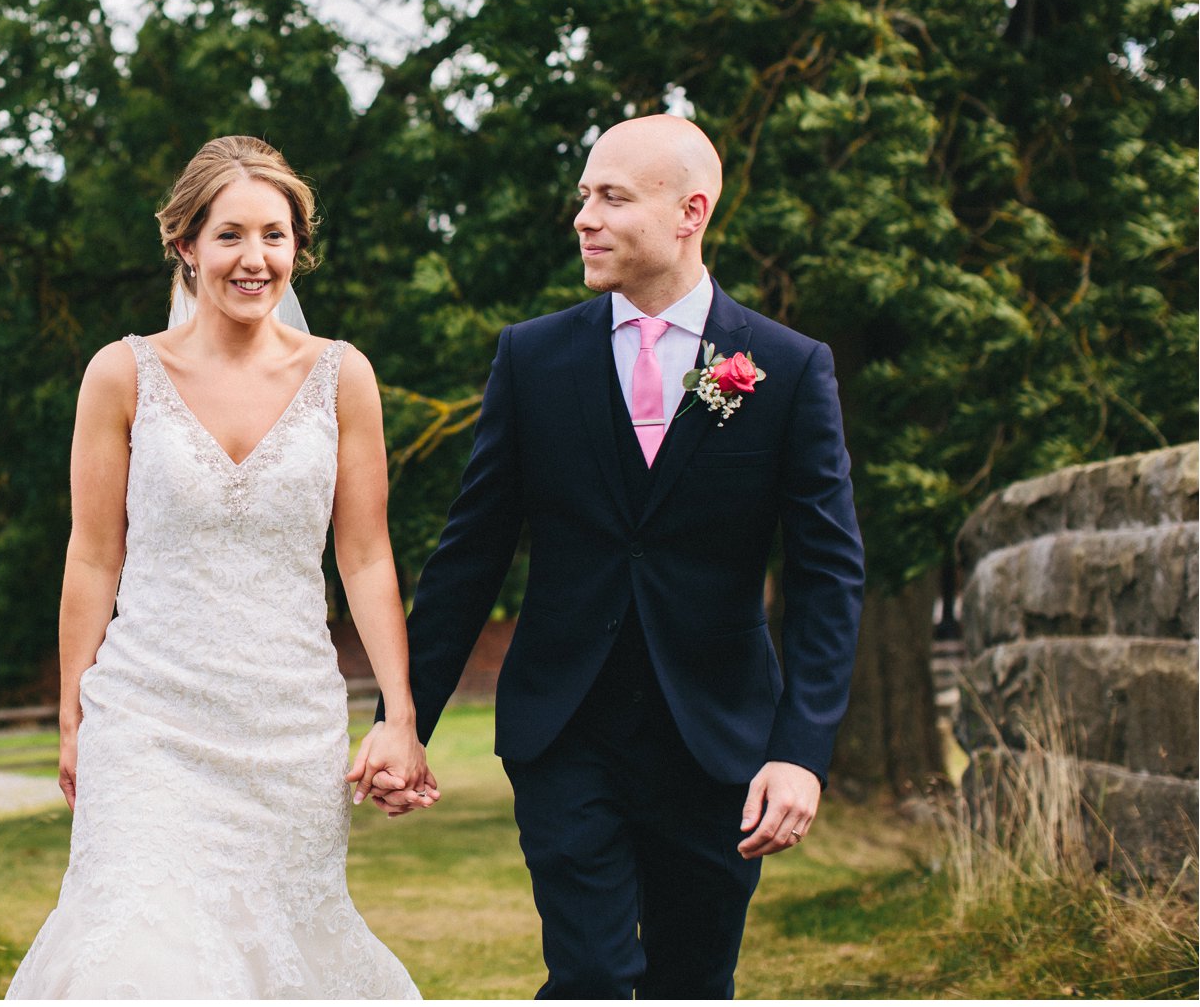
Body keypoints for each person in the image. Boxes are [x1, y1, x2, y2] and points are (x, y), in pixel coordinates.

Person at [370, 114, 865, 999]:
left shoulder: (784, 369)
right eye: (583, 195)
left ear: (690, 212)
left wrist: (801, 751)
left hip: (719, 743)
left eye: (612, 196)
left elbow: (828, 576)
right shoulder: (533, 357)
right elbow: (468, 555)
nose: (583, 218)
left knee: (691, 980)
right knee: (593, 974)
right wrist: (403, 718)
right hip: (565, 732)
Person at [6, 136, 426, 999]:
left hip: (287, 723)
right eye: (230, 234)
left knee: (279, 956)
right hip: (146, 717)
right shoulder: (121, 375)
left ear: (296, 250)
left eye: (275, 236)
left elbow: (367, 553)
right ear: (186, 245)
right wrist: (72, 713)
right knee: (135, 949)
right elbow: (92, 556)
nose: (254, 258)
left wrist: (401, 714)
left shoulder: (343, 379)